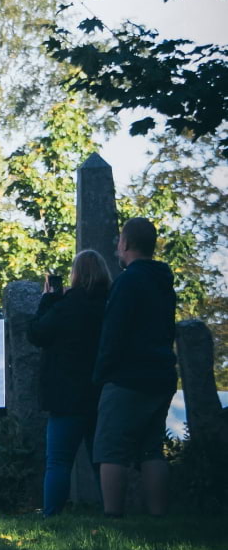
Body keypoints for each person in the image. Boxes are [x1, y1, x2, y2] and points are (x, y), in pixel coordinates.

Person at [92, 218, 178, 519]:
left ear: (125, 244)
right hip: (161, 371)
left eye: (119, 241)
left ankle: (112, 515)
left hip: (128, 376)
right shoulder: (163, 282)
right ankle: (158, 516)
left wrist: (101, 374)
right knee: (151, 448)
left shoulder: (127, 282)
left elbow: (113, 333)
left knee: (111, 446)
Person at [28, 250, 110, 517]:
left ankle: (52, 514)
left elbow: (37, 332)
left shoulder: (68, 305)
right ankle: (112, 511)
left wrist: (47, 299)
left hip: (66, 395)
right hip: (100, 392)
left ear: (76, 274)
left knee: (59, 461)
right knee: (102, 459)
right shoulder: (110, 303)